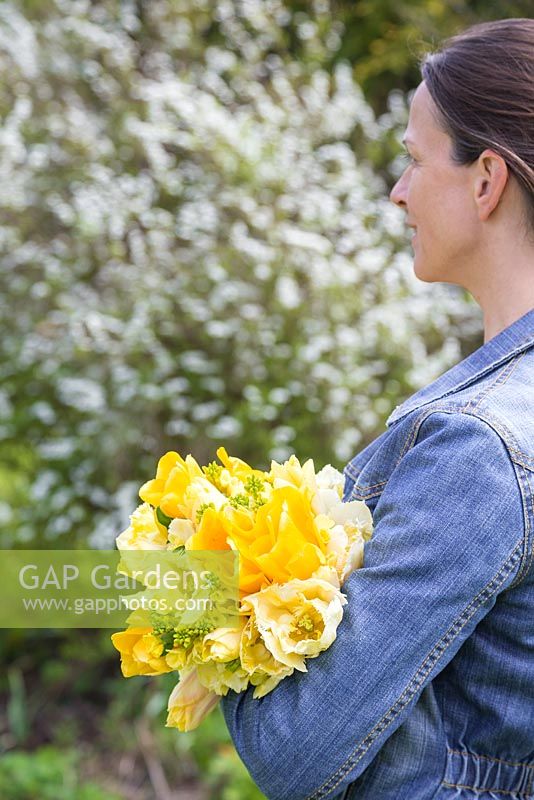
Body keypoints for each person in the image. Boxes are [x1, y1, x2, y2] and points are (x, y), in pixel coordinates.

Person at [221, 18, 534, 800]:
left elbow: (300, 750)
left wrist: (216, 596)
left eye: (412, 160)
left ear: (486, 180)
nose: (398, 192)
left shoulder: (480, 447)